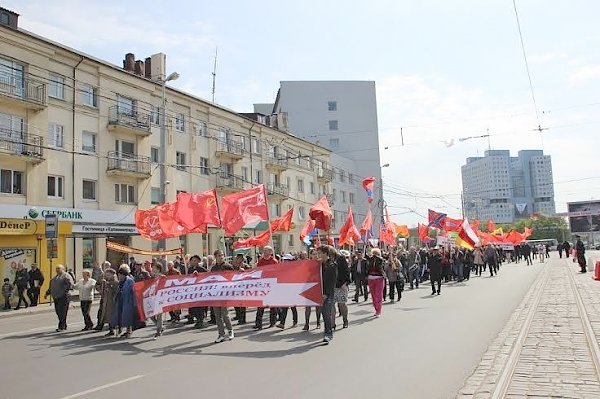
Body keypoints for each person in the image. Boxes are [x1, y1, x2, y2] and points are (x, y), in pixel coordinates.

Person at [212, 250, 234, 343]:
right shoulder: (213, 268)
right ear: (215, 257)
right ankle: (221, 334)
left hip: (225, 293)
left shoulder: (228, 266)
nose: (221, 257)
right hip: (215, 294)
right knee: (217, 316)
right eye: (219, 255)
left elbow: (234, 277)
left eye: (222, 255)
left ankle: (230, 330)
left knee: (225, 314)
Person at [254, 246, 279, 330]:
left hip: (272, 285)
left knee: (272, 305)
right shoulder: (260, 261)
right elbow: (257, 272)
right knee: (260, 305)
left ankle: (273, 322)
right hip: (263, 285)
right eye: (264, 250)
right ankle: (258, 323)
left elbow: (277, 272)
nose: (264, 252)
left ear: (271, 252)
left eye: (266, 250)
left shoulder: (274, 261)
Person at [109, 264, 136, 338]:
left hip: (128, 300)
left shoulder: (130, 281)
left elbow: (134, 291)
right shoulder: (120, 282)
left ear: (123, 274)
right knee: (120, 315)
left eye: (120, 275)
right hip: (120, 299)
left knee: (127, 316)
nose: (119, 276)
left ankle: (129, 330)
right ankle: (122, 329)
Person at [44, 265, 74, 332]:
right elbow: (51, 287)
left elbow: (70, 285)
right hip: (56, 297)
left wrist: (64, 292)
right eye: (56, 268)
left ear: (63, 269)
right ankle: (64, 324)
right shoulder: (54, 278)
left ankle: (61, 326)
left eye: (59, 268)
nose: (57, 270)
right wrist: (47, 294)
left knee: (62, 312)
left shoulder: (66, 276)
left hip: (64, 297)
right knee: (58, 312)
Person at [318, 245, 337, 344]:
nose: (318, 255)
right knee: (323, 313)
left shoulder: (332, 265)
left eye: (320, 253)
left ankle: (328, 334)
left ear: (325, 253)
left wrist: (326, 293)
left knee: (326, 313)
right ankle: (327, 331)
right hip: (319, 293)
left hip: (328, 294)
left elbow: (332, 282)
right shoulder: (319, 265)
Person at [185, 255, 208, 328]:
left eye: (195, 260)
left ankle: (200, 320)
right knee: (194, 307)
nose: (194, 262)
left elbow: (207, 277)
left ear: (198, 261)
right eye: (192, 260)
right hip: (193, 291)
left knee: (200, 307)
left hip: (200, 291)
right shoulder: (190, 269)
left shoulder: (202, 269)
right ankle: (198, 319)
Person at [332, 248, 351, 329]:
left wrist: (345, 283)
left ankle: (345, 320)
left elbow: (346, 272)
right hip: (331, 286)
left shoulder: (341, 259)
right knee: (331, 305)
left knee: (342, 304)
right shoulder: (326, 260)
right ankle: (332, 323)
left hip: (341, 285)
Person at [303, 248, 322, 330]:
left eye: (316, 254)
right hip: (308, 286)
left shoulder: (320, 263)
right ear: (310, 255)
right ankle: (306, 324)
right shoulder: (307, 263)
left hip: (317, 286)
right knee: (308, 307)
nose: (315, 255)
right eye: (313, 254)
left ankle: (318, 322)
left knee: (318, 307)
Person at [367, 248, 386, 317]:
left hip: (379, 278)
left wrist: (377, 258)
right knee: (373, 295)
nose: (374, 255)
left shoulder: (381, 260)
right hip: (371, 278)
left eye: (376, 254)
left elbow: (381, 266)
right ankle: (376, 309)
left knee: (379, 295)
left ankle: (379, 311)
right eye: (373, 253)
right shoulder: (370, 259)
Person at [232, 254, 249, 325]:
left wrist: (243, 271)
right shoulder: (233, 267)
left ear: (242, 259)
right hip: (235, 286)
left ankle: (242, 319)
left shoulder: (246, 266)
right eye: (236, 258)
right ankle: (238, 315)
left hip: (243, 287)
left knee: (242, 304)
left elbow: (250, 274)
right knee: (235, 303)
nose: (237, 260)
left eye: (238, 258)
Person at [150, 262, 165, 339]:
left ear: (158, 269)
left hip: (160, 297)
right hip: (153, 297)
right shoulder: (151, 277)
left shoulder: (163, 277)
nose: (153, 269)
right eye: (152, 268)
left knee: (159, 315)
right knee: (151, 315)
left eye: (154, 268)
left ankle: (158, 331)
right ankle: (159, 326)